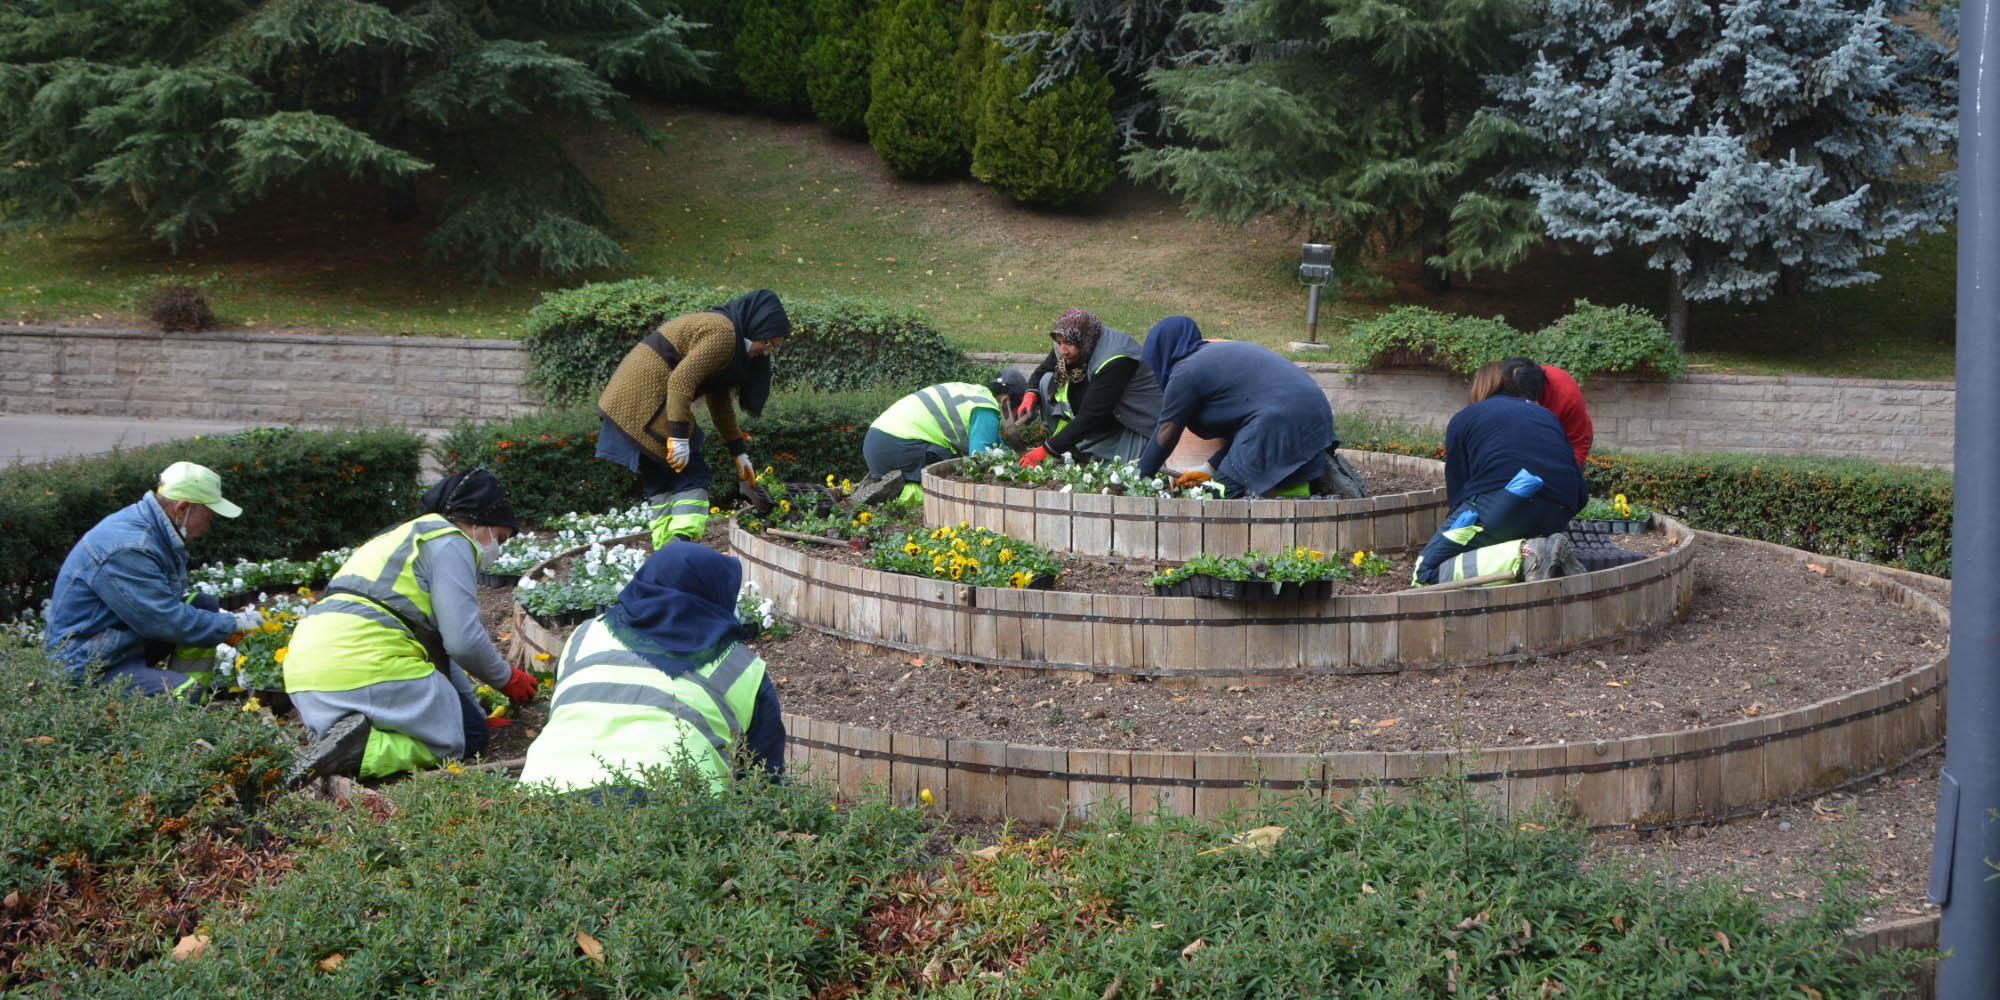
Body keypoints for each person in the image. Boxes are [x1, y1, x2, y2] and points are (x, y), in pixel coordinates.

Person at [282, 469, 541, 785]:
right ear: (476, 521)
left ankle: (346, 741)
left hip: (307, 675)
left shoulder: (400, 538)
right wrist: (506, 678)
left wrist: (473, 713)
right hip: (365, 665)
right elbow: (462, 642)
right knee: (464, 740)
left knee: (472, 725)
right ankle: (363, 749)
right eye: (498, 537)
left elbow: (439, 651)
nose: (495, 548)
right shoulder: (451, 541)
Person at [518, 542, 784, 796]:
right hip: (676, 805)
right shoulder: (742, 667)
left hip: (546, 788)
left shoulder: (584, 635)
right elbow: (764, 783)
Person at [43, 461, 260, 698]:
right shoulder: (130, 548)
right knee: (187, 692)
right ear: (182, 508)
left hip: (117, 642)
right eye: (208, 516)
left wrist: (226, 625)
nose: (208, 527)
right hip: (88, 665)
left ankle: (189, 694)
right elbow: (163, 620)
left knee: (203, 605)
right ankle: (186, 701)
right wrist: (234, 624)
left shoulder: (152, 527)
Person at [595, 289, 789, 549]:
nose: (767, 353)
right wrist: (678, 437)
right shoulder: (723, 334)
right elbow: (681, 380)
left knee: (662, 481)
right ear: (757, 328)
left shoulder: (730, 344)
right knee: (692, 474)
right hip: (645, 400)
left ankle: (665, 550)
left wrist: (739, 453)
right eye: (768, 344)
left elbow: (719, 403)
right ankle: (681, 546)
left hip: (629, 400)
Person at [1133, 318, 1347, 499]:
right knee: (1288, 486)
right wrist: (1209, 469)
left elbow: (1166, 432)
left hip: (1280, 418)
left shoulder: (1184, 373)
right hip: (1314, 410)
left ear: (1160, 353)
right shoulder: (1214, 357)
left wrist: (1137, 479)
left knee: (1222, 493)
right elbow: (1246, 424)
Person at [1410, 373, 1589, 586]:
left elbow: (1459, 492)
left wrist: (1458, 541)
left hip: (1505, 504)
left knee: (1425, 574)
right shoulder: (1546, 415)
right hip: (1561, 511)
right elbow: (1579, 489)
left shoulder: (1466, 416)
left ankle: (1527, 556)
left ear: (1479, 388)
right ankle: (1542, 553)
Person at [851, 371, 1028, 506]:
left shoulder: (976, 395)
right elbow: (981, 455)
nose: (1015, 420)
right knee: (953, 473)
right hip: (899, 444)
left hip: (879, 441)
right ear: (1005, 402)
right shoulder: (986, 409)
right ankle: (896, 493)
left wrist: (1021, 456)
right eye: (1017, 412)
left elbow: (995, 444)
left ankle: (881, 481)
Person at [1014, 308, 1163, 467]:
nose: (1062, 350)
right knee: (1045, 380)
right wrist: (1030, 394)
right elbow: (1044, 369)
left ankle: (1084, 447)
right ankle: (1074, 445)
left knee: (1127, 471)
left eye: (1068, 344)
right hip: (1109, 412)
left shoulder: (1116, 360)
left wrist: (1047, 450)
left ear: (1085, 340)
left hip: (1139, 422)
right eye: (1059, 343)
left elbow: (1092, 415)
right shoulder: (1072, 337)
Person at [1498, 357, 1593, 467]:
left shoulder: (1567, 397)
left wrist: (1570, 474)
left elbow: (1577, 443)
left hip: (1564, 441)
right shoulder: (1509, 379)